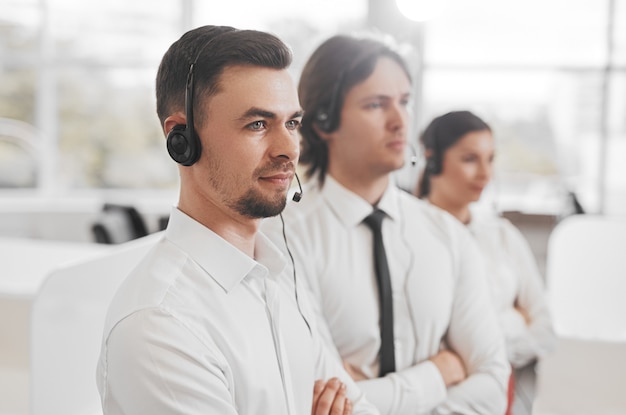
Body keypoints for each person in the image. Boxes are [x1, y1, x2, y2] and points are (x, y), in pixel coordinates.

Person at [96, 25, 379, 415]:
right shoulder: (160, 326)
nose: (287, 150)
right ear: (182, 138)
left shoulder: (281, 275)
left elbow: (358, 404)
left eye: (291, 123)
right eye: (258, 125)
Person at [261, 33, 510, 415]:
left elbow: (493, 384)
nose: (399, 122)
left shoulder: (447, 235)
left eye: (405, 102)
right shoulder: (282, 239)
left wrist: (367, 393)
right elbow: (310, 399)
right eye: (376, 105)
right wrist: (440, 371)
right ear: (324, 121)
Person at [416, 110, 556, 414]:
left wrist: (481, 355)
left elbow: (544, 330)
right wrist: (515, 320)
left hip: (498, 398)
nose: (485, 173)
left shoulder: (502, 235)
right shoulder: (409, 234)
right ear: (434, 159)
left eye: (490, 159)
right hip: (433, 400)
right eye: (470, 159)